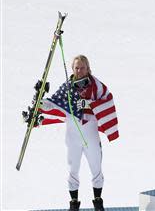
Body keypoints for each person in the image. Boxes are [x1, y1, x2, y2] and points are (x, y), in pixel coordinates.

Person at [31, 55, 118, 211]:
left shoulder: (96, 86)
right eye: (76, 68)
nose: (79, 71)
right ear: (72, 69)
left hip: (91, 135)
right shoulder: (67, 86)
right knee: (73, 169)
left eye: (82, 67)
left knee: (96, 168)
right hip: (73, 136)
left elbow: (108, 101)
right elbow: (55, 104)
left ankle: (98, 201)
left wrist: (89, 104)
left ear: (88, 68)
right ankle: (74, 203)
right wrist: (41, 102)